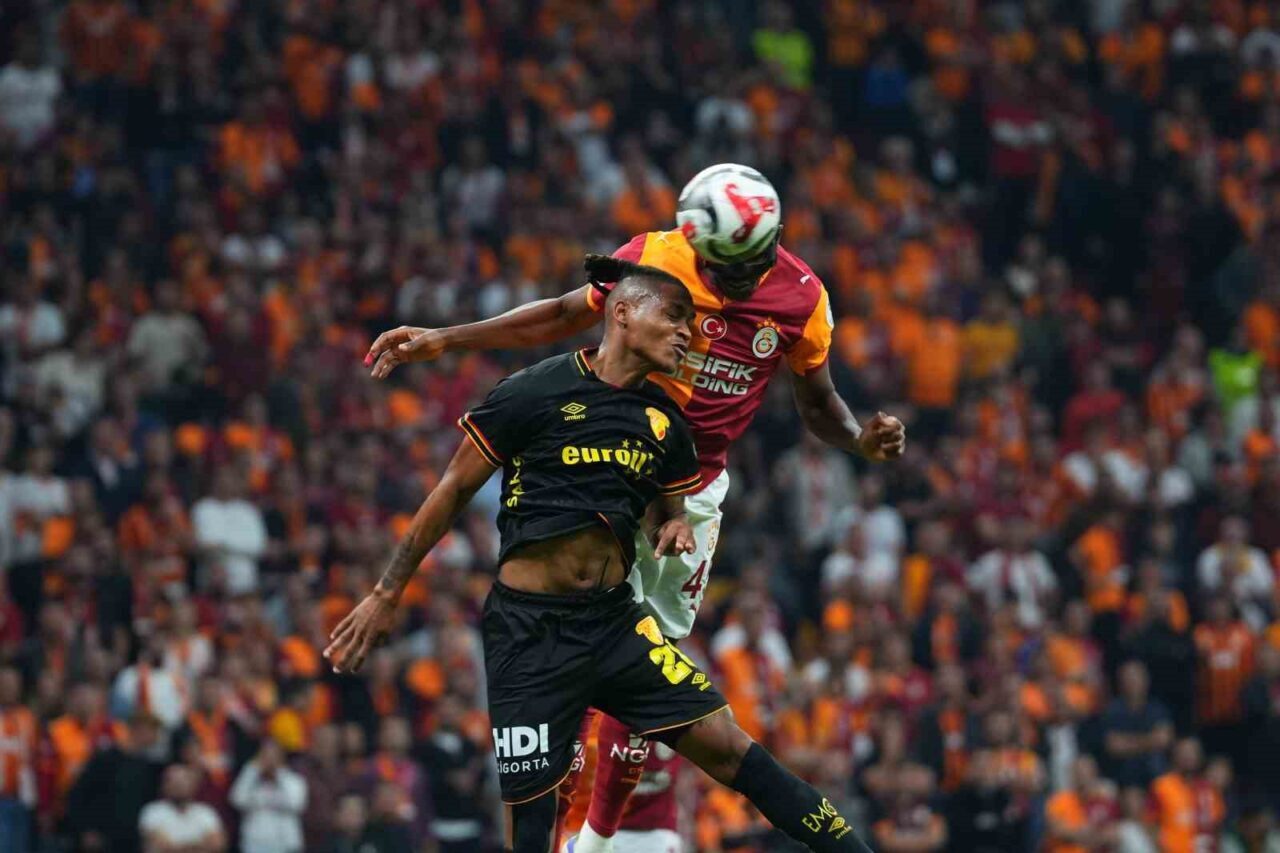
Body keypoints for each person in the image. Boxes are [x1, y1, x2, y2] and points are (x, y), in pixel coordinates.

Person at [364, 163, 905, 852]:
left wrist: (858, 439)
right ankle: (572, 829)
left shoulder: (803, 299)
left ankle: (595, 838)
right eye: (722, 269)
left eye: (751, 265)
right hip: (609, 471)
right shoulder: (654, 258)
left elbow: (819, 402)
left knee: (652, 663)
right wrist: (448, 337)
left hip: (695, 488)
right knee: (576, 655)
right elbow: (563, 314)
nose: (737, 283)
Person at [229, 739, 308, 853]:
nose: (269, 761)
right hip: (255, 846)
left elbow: (296, 803)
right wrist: (252, 770)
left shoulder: (294, 780)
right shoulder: (250, 780)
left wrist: (279, 773)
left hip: (286, 846)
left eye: (274, 756)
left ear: (281, 758)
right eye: (265, 756)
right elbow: (236, 800)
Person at [139, 764, 226, 853]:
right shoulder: (153, 811)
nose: (180, 786)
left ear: (193, 785)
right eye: (175, 782)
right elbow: (162, 847)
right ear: (164, 786)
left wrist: (177, 847)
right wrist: (200, 846)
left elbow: (217, 845)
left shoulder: (205, 811)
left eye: (184, 781)